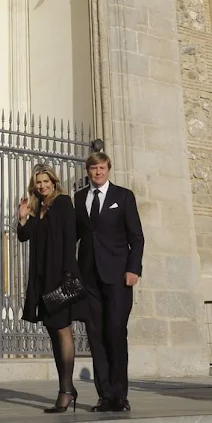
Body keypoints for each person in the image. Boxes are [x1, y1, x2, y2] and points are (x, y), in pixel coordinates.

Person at [75, 152, 144, 413]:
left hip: (118, 278)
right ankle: (104, 396)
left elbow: (137, 237)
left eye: (101, 168)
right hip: (89, 278)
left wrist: (133, 269)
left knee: (115, 332)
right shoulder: (80, 198)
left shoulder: (123, 197)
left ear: (108, 169)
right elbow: (75, 234)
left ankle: (120, 395)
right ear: (88, 171)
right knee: (96, 337)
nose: (97, 172)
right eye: (93, 168)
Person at [17, 164, 85, 414]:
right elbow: (24, 236)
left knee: (62, 330)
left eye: (46, 181)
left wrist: (67, 276)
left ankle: (66, 390)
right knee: (54, 333)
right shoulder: (38, 207)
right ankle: (65, 387)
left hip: (59, 277)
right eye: (39, 183)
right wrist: (23, 217)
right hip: (41, 278)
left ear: (54, 182)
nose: (43, 186)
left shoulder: (63, 203)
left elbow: (69, 240)